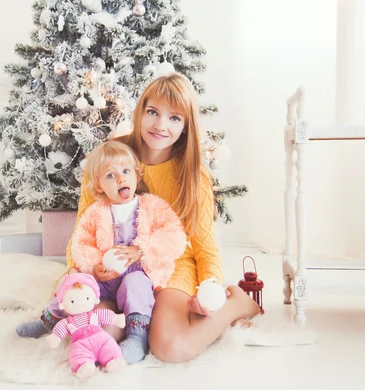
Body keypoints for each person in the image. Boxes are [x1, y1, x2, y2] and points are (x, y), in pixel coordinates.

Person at [23, 72, 260, 363]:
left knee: (171, 348)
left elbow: (204, 247)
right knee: (98, 333)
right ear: (140, 112)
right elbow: (84, 229)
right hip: (114, 270)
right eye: (153, 112)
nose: (161, 126)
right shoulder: (109, 159)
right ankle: (135, 324)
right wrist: (86, 270)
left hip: (169, 267)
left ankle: (237, 304)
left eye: (175, 118)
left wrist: (210, 287)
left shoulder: (193, 175)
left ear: (186, 126)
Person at [17, 140, 187, 364]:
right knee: (75, 280)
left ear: (136, 175)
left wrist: (141, 250)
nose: (120, 179)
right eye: (110, 175)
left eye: (126, 171)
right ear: (98, 186)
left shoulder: (151, 206)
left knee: (135, 283)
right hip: (105, 278)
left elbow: (174, 235)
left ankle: (137, 337)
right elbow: (82, 243)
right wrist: (95, 267)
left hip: (139, 274)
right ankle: (51, 319)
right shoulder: (96, 212)